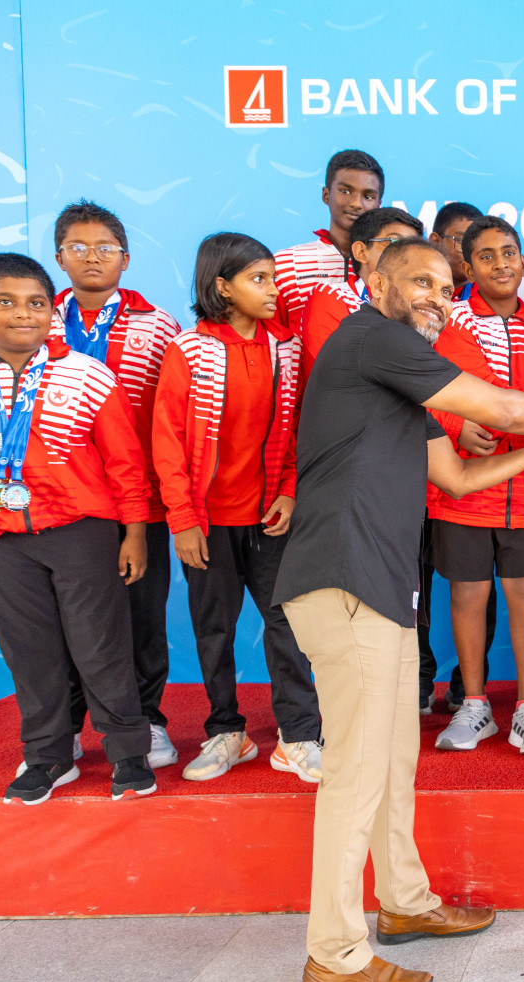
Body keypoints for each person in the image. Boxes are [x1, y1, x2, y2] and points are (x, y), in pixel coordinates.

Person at [273, 237, 524, 982]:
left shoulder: (398, 381)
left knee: (393, 763)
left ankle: (405, 901)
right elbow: (495, 407)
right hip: (343, 578)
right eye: (419, 281)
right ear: (373, 281)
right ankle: (334, 952)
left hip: (383, 589)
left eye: (444, 286)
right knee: (358, 773)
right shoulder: (371, 338)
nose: (438, 295)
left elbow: (458, 476)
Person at [0, 253, 155, 804]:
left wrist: (136, 532)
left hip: (81, 532)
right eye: (5, 303)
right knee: (29, 649)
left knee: (101, 645)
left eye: (37, 304)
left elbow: (124, 461)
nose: (23, 315)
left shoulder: (87, 374)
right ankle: (48, 756)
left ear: (54, 311)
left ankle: (128, 751)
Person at [152, 232, 321, 783]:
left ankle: (298, 737)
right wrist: (183, 520)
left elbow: (298, 430)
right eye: (259, 279)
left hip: (269, 517)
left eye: (273, 277)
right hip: (207, 523)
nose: (274, 290)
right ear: (222, 287)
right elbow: (168, 444)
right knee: (214, 629)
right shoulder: (188, 350)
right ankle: (227, 731)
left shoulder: (287, 348)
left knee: (289, 626)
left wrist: (290, 490)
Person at [50, 200, 182, 768]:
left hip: (140, 500)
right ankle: (66, 729)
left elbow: (172, 418)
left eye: (105, 247)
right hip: (60, 500)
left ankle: (148, 719)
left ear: (125, 259)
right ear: (59, 257)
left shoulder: (158, 327)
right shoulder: (37, 320)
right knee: (63, 622)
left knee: (142, 617)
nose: (92, 257)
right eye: (78, 248)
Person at [430, 216, 524, 754]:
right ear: (468, 266)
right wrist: (454, 426)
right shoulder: (448, 320)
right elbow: (423, 392)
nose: (500, 264)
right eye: (486, 256)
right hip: (461, 484)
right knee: (467, 593)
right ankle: (475, 705)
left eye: (508, 252)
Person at [297, 206, 425, 381]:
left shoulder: (420, 306)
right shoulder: (331, 297)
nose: (409, 258)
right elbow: (336, 376)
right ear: (361, 252)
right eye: (396, 243)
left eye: (414, 248)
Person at [272, 149, 384, 330]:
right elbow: (273, 338)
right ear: (326, 195)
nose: (356, 203)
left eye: (368, 196)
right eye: (345, 191)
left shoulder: (390, 267)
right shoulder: (285, 264)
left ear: (379, 204)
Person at [428, 201, 482, 295]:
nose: (471, 251)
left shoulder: (489, 294)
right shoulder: (416, 289)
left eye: (478, 243)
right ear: (435, 241)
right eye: (462, 241)